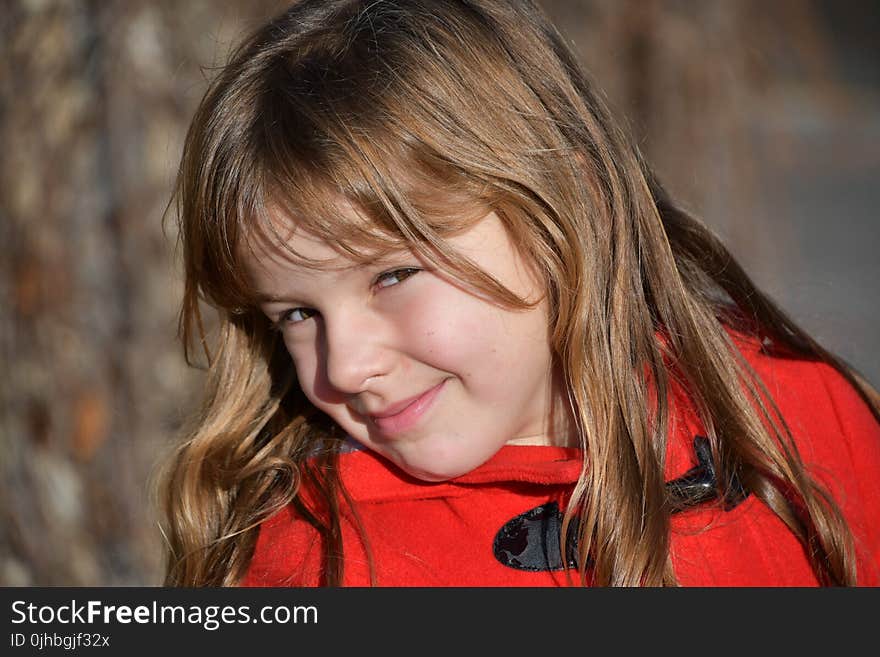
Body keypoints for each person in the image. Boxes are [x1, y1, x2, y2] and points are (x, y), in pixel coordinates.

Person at [159, 0, 880, 586]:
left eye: (392, 274)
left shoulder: (796, 422)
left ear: (571, 211)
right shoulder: (321, 561)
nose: (342, 368)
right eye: (296, 313)